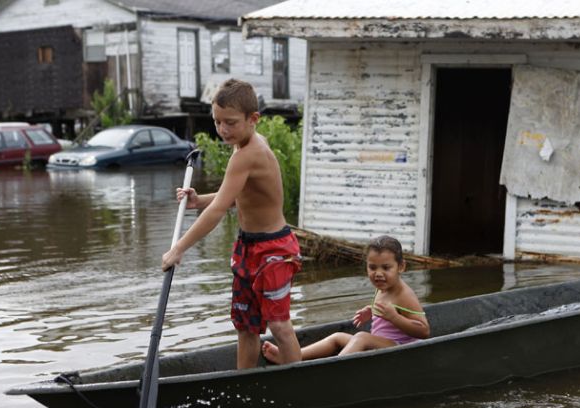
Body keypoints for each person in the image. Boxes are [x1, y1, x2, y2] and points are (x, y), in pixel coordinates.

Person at [161, 78, 303, 369]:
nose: (223, 130)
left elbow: (217, 212)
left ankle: (297, 382)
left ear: (253, 119)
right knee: (245, 325)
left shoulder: (250, 153)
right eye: (217, 122)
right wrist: (199, 201)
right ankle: (244, 383)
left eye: (230, 123)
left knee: (278, 326)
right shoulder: (244, 146)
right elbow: (238, 196)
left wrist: (179, 248)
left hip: (273, 249)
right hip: (248, 248)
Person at [262, 235, 429, 364]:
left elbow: (424, 331)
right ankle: (293, 358)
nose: (378, 273)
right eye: (372, 267)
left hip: (400, 348)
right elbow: (389, 310)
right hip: (382, 343)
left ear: (401, 267)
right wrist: (372, 311)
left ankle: (332, 369)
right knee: (337, 337)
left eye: (386, 267)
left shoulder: (404, 294)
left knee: (361, 337)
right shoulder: (383, 285)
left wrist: (394, 317)